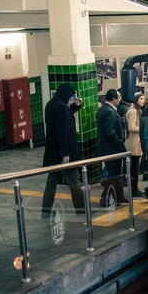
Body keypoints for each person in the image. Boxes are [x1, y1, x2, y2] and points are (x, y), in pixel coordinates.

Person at [41, 83, 85, 218]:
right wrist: (65, 154)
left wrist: (75, 106)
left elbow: (62, 120)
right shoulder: (60, 107)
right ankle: (82, 209)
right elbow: (61, 131)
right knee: (74, 181)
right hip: (63, 153)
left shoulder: (52, 104)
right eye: (71, 95)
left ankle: (46, 210)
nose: (72, 97)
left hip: (53, 153)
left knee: (51, 183)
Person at [97, 89, 128, 206]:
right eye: (119, 98)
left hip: (108, 148)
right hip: (111, 149)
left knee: (116, 174)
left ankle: (119, 196)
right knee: (113, 175)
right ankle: (104, 199)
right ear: (114, 99)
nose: (120, 100)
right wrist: (120, 143)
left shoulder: (103, 109)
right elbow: (109, 132)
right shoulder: (109, 111)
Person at [125, 92, 145, 198]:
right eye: (141, 99)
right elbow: (131, 127)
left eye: (143, 98)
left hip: (136, 142)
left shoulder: (138, 110)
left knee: (135, 168)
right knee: (134, 168)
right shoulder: (133, 111)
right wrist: (142, 129)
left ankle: (135, 189)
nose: (143, 100)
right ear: (136, 100)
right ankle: (134, 190)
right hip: (133, 143)